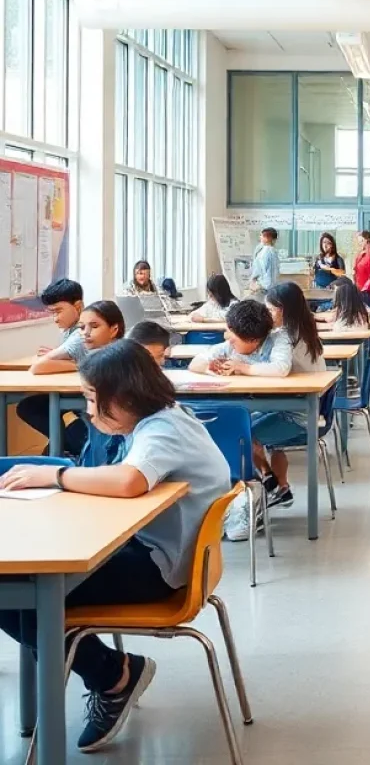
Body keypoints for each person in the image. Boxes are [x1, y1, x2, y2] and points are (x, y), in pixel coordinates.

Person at [0, 341, 230, 753]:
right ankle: (111, 671)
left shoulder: (163, 429)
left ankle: (113, 677)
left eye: (92, 399)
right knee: (20, 588)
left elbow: (128, 481)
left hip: (158, 568)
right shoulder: (162, 418)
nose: (88, 411)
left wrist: (54, 478)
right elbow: (117, 475)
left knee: (20, 598)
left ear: (124, 396)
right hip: (158, 551)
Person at [247, 282, 326, 513]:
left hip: (298, 414)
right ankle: (279, 486)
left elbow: (275, 368)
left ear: (281, 309)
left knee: (242, 436)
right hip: (301, 407)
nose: (268, 316)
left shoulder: (286, 338)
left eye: (270, 310)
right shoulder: (304, 329)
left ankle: (266, 479)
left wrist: (244, 367)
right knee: (253, 427)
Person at [17, 279, 88, 457]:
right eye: (52, 312)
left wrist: (77, 365)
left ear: (78, 306)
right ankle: (64, 446)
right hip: (81, 387)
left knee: (29, 407)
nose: (55, 318)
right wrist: (62, 357)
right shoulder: (70, 331)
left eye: (58, 311)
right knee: (36, 403)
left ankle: (76, 445)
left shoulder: (80, 333)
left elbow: (37, 367)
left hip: (88, 393)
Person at [188, 299, 291, 378]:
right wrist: (209, 368)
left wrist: (243, 367)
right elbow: (195, 363)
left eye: (235, 337)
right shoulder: (229, 346)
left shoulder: (279, 339)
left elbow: (281, 368)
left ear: (254, 340)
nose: (229, 340)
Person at [249, 227, 281, 295]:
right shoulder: (267, 250)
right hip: (264, 287)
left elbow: (269, 273)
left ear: (268, 238)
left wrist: (257, 284)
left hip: (264, 288)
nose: (260, 237)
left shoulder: (268, 251)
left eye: (262, 235)